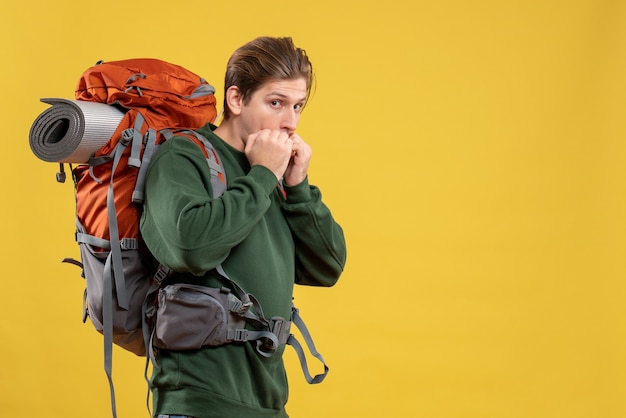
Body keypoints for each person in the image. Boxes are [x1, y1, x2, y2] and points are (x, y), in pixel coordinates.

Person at [139, 36, 347, 418]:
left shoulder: (273, 173)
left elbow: (328, 265)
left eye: (298, 106)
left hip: (267, 404)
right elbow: (190, 246)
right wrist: (264, 173)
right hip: (199, 403)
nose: (291, 122)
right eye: (276, 103)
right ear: (236, 100)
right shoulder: (185, 155)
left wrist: (298, 186)